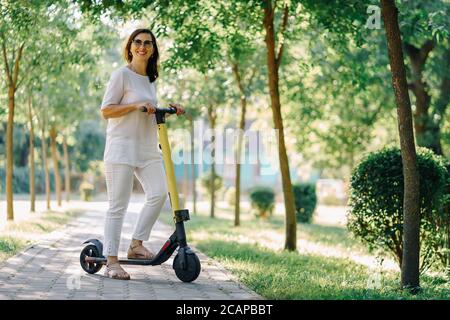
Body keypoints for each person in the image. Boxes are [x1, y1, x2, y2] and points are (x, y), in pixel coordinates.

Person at [100, 28, 184, 280]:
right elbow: (106, 110)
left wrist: (170, 108)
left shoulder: (150, 79)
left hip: (147, 149)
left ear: (153, 49)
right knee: (118, 206)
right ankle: (111, 261)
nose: (142, 46)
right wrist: (135, 105)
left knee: (159, 193)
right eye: (138, 42)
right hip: (121, 148)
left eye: (148, 43)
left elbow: (148, 108)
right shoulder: (121, 75)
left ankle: (137, 244)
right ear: (130, 46)